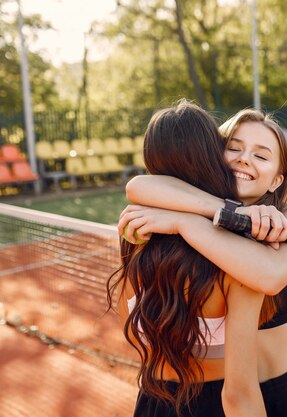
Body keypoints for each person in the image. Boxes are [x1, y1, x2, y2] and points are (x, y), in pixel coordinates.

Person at [119, 106, 287, 417]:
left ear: (277, 180)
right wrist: (230, 212)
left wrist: (184, 222)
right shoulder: (207, 219)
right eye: (233, 148)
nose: (244, 159)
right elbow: (138, 187)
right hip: (231, 396)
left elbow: (269, 275)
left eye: (261, 156)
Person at [108, 101, 268, 417]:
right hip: (215, 406)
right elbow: (239, 395)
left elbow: (128, 316)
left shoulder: (133, 228)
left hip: (152, 402)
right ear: (213, 155)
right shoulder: (238, 250)